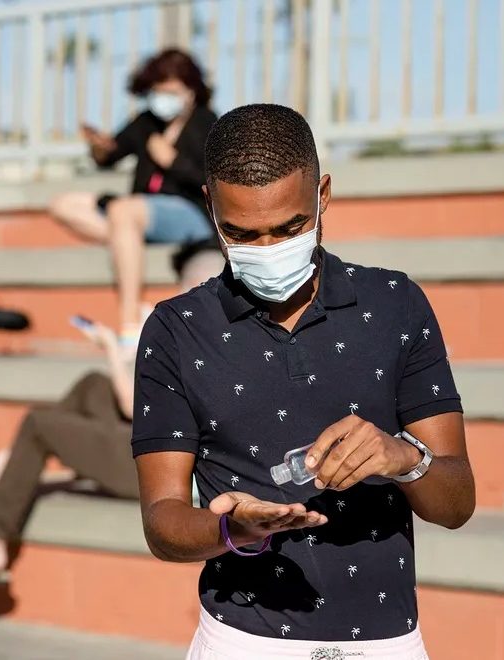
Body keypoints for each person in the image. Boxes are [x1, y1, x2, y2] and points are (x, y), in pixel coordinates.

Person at [133, 104, 474, 658]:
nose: (268, 252)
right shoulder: (176, 330)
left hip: (389, 643)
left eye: (290, 228)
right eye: (243, 234)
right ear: (210, 210)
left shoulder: (395, 304)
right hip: (241, 643)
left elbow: (456, 504)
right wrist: (230, 532)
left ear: (323, 196)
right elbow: (162, 522)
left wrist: (403, 458)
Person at [0, 241, 225, 584]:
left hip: (167, 477)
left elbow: (135, 409)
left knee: (39, 425)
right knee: (94, 384)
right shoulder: (221, 336)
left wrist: (112, 349)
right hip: (178, 458)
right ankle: (9, 464)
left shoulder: (192, 337)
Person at [49, 48, 218, 350]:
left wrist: (173, 161)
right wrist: (99, 148)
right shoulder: (146, 122)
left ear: (190, 91)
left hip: (189, 212)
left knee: (123, 212)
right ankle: (125, 242)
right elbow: (111, 155)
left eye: (171, 91)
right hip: (140, 211)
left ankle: (129, 324)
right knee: (64, 205)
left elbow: (214, 180)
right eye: (157, 90)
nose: (162, 97)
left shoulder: (207, 123)